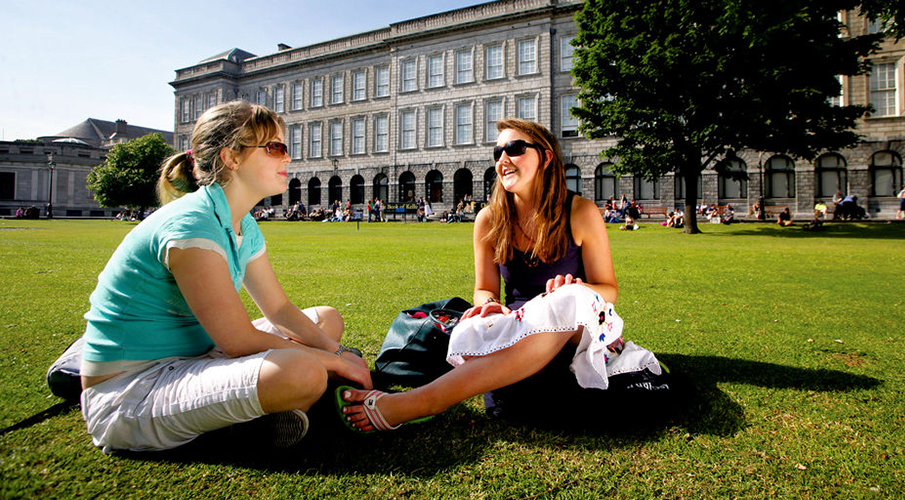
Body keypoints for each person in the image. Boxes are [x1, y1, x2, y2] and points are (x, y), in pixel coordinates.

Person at [77, 101, 371, 453]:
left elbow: (278, 309)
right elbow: (237, 340)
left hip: (194, 358)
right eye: (275, 147)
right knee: (302, 371)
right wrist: (336, 363)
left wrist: (337, 350)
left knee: (326, 320)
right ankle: (253, 421)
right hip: (131, 391)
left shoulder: (241, 222)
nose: (287, 158)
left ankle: (263, 410)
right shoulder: (192, 224)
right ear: (232, 157)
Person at [338, 118, 659, 432]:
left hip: (575, 335)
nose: (503, 160)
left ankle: (421, 403)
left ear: (545, 156)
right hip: (516, 329)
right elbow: (483, 288)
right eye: (498, 153)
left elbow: (609, 289)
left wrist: (577, 288)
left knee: (571, 299)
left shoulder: (580, 212)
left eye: (515, 148)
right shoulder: (488, 220)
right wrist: (489, 304)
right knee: (477, 321)